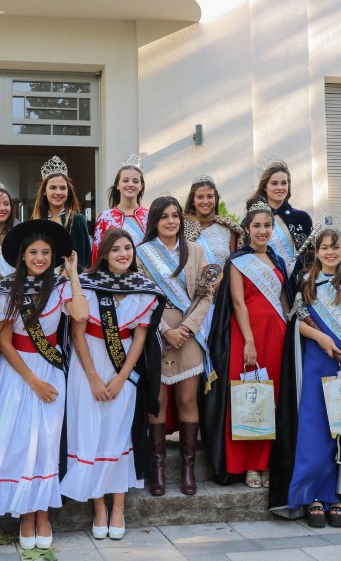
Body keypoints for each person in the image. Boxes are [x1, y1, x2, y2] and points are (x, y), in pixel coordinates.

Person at [0, 220, 88, 552]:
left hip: (51, 370)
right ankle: (24, 515)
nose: (40, 257)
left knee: (46, 444)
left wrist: (73, 273)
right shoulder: (7, 290)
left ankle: (41, 514)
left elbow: (81, 313)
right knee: (19, 441)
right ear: (22, 256)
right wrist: (32, 380)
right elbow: (4, 341)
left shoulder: (61, 287)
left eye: (46, 252)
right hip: (17, 373)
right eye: (33, 252)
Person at [269, 224, 341, 528]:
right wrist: (319, 338)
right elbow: (295, 323)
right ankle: (311, 495)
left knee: (340, 430)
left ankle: (335, 495)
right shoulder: (306, 284)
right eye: (325, 247)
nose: (331, 252)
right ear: (316, 252)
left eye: (336, 246)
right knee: (313, 429)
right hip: (315, 362)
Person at [60, 228, 165, 540]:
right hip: (87, 365)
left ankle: (117, 506)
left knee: (118, 435)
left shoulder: (143, 288)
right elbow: (77, 332)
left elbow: (140, 338)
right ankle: (99, 507)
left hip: (123, 370)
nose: (123, 253)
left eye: (128, 248)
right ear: (104, 252)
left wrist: (121, 378)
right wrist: (93, 378)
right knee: (91, 431)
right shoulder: (88, 285)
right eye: (116, 248)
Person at [201, 197, 291, 488]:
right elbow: (238, 303)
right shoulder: (238, 260)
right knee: (250, 396)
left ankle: (266, 463)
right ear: (247, 229)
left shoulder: (277, 260)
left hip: (275, 333)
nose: (263, 231)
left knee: (272, 398)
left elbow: (283, 301)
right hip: (248, 335)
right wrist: (249, 342)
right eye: (257, 226)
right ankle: (249, 465)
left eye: (267, 226)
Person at [136, 197, 218, 497]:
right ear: (154, 221)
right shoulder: (142, 254)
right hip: (155, 332)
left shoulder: (195, 250)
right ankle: (157, 469)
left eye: (175, 216)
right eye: (164, 217)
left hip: (188, 332)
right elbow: (140, 296)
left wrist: (186, 328)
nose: (171, 222)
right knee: (157, 400)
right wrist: (164, 330)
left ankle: (187, 469)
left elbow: (205, 294)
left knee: (187, 400)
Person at [247, 158, 312, 282]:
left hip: (294, 284)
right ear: (265, 186)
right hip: (262, 282)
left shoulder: (301, 218)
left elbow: (311, 255)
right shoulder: (253, 217)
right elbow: (246, 251)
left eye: (284, 183)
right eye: (274, 183)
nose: (280, 187)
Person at [31, 156, 90, 272]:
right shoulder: (36, 221)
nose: (58, 192)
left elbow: (83, 260)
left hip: (70, 284)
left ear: (68, 192)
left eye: (62, 188)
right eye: (53, 188)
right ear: (44, 191)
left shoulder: (77, 220)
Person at [92, 155, 148, 261]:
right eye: (125, 180)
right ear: (117, 185)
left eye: (135, 181)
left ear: (141, 186)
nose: (130, 184)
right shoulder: (105, 218)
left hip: (144, 274)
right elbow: (97, 253)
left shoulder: (150, 216)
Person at [183, 175, 242, 273]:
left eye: (210, 196)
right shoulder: (182, 227)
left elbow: (233, 266)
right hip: (190, 286)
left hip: (222, 286)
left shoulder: (228, 228)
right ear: (193, 201)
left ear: (216, 199)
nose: (205, 201)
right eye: (200, 197)